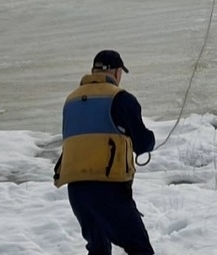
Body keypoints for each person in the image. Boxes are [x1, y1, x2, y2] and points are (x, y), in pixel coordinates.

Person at [55, 50, 156, 255]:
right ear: (117, 72)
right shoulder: (120, 98)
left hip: (76, 190)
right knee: (140, 249)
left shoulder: (71, 101)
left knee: (98, 250)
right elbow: (143, 143)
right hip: (109, 189)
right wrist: (150, 140)